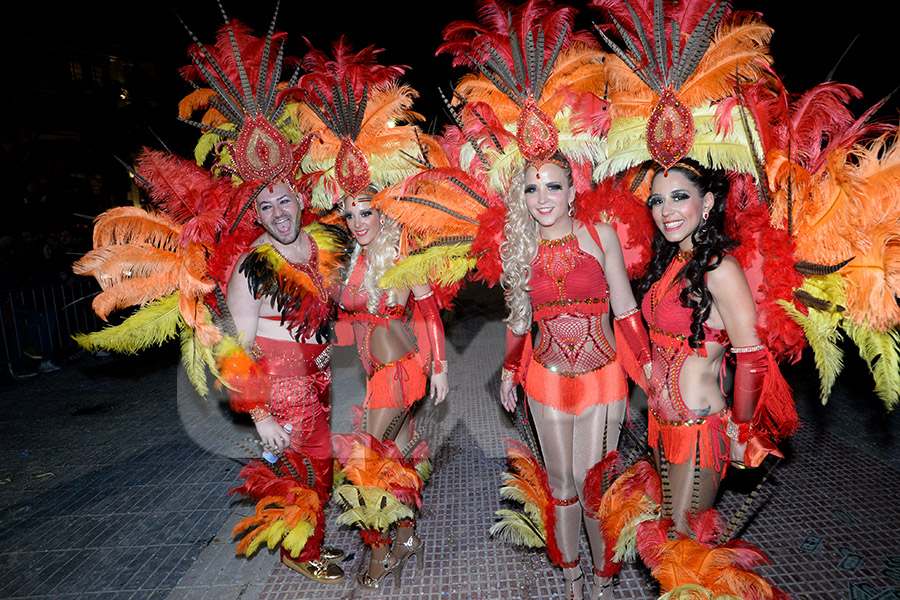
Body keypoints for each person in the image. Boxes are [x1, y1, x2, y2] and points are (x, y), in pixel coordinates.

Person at [498, 153, 651, 600]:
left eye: (552, 186)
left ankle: (603, 578)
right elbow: (519, 321)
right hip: (546, 380)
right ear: (522, 199)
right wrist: (510, 371)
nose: (542, 198)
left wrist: (648, 369)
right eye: (531, 188)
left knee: (592, 486)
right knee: (561, 482)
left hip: (602, 379)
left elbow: (625, 310)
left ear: (571, 192)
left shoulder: (600, 238)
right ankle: (573, 579)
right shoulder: (520, 251)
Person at [637, 158, 787, 534]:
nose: (665, 210)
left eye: (678, 197)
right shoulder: (671, 260)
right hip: (659, 422)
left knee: (682, 547)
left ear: (706, 204)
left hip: (698, 427)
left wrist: (742, 431)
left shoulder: (721, 269)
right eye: (656, 201)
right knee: (663, 536)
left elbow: (751, 358)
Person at [225, 181, 346, 583]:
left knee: (320, 465)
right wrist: (260, 416)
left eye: (284, 201)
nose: (278, 212)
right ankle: (300, 553)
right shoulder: (252, 268)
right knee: (301, 471)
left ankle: (308, 537)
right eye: (265, 206)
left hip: (319, 378)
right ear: (255, 215)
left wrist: (330, 345)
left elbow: (330, 308)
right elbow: (234, 352)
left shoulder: (317, 245)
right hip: (281, 387)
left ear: (300, 201)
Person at [336, 187, 449, 588]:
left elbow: (430, 311)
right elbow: (352, 321)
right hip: (376, 375)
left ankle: (380, 554)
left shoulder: (402, 255)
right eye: (350, 216)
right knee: (397, 460)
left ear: (383, 215)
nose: (358, 223)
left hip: (398, 376)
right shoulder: (358, 259)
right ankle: (406, 537)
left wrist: (441, 368)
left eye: (366, 213)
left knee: (367, 468)